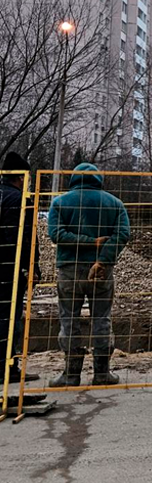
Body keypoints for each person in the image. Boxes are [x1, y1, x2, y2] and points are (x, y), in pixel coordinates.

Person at [47, 163, 130, 387]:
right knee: (101, 319)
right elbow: (123, 234)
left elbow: (56, 235)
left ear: (74, 179)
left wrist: (84, 242)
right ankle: (102, 373)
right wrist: (102, 259)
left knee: (69, 320)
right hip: (101, 272)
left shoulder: (60, 202)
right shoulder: (115, 203)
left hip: (69, 270)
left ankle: (71, 374)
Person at [1, 152, 32, 384]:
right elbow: (21, 237)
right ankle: (8, 368)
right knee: (10, 317)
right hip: (9, 269)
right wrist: (28, 266)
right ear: (20, 177)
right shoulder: (19, 199)